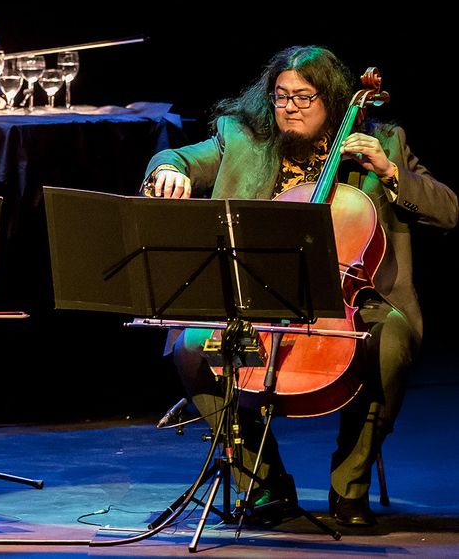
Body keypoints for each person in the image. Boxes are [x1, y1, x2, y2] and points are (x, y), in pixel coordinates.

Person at [141, 45, 457, 528]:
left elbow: (448, 209)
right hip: (258, 297)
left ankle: (348, 490)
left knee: (389, 340)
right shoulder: (243, 137)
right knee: (188, 345)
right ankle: (262, 484)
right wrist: (167, 171)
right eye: (280, 96)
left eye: (304, 98)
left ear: (331, 99)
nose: (289, 108)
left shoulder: (382, 141)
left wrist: (390, 173)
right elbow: (179, 156)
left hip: (350, 299)